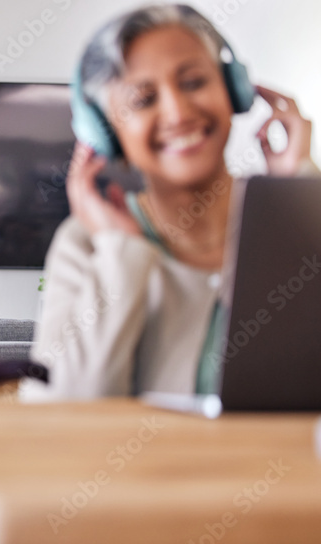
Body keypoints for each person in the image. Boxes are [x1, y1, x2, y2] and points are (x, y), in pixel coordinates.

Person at [31, 3, 317, 402]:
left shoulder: (300, 218)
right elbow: (61, 416)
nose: (178, 112)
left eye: (194, 82)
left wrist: (300, 195)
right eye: (144, 99)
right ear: (106, 134)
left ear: (233, 89)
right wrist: (120, 255)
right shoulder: (86, 244)